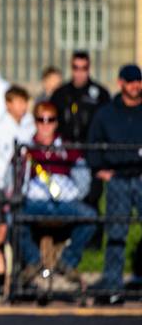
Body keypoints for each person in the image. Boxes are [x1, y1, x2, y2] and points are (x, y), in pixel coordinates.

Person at [18, 102, 95, 286]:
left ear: (56, 123)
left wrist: (77, 192)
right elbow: (17, 179)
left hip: (64, 203)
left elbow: (82, 174)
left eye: (50, 120)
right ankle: (33, 261)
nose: (46, 125)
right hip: (35, 203)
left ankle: (67, 262)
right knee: (12, 217)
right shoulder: (26, 148)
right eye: (41, 120)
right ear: (35, 122)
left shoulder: (67, 148)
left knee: (91, 217)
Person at [88, 64, 142, 305]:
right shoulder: (107, 113)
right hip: (118, 178)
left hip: (140, 177)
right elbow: (93, 143)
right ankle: (112, 283)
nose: (135, 86)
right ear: (121, 83)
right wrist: (101, 170)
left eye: (138, 81)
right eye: (130, 81)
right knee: (117, 232)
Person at [50, 51, 110, 248]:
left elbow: (105, 126)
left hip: (91, 155)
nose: (79, 73)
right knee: (67, 199)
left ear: (89, 68)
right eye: (76, 68)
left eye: (83, 68)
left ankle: (93, 243)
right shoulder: (61, 94)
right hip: (67, 156)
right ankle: (66, 240)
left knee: (92, 198)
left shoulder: (99, 94)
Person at [0, 85, 35, 287]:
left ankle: (19, 275)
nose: (23, 107)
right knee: (2, 229)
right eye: (18, 102)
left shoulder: (27, 127)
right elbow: (0, 161)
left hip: (21, 187)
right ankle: (1, 275)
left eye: (25, 102)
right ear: (8, 104)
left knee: (19, 231)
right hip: (3, 186)